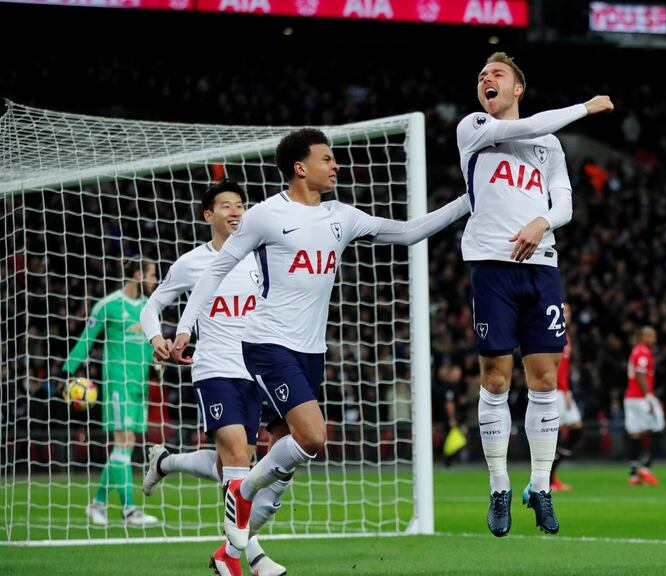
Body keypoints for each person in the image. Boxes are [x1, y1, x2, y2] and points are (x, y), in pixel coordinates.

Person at [170, 127, 472, 551]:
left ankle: (231, 550)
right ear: (300, 167)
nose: (336, 166)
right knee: (313, 436)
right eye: (327, 159)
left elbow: (406, 232)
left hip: (312, 351)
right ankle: (240, 491)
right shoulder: (265, 215)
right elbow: (216, 270)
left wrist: (467, 201)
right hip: (267, 342)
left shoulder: (340, 216)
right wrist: (185, 326)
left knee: (287, 464)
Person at [455, 51, 613, 537]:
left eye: (497, 73)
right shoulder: (475, 128)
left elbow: (563, 201)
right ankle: (499, 486)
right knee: (497, 380)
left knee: (546, 378)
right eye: (482, 74)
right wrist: (585, 108)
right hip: (492, 268)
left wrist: (541, 220)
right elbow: (526, 128)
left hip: (542, 266)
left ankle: (540, 487)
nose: (487, 77)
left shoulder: (549, 147)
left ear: (517, 88)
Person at [139, 180, 287, 576]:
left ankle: (166, 461)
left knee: (232, 467)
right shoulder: (192, 263)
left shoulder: (261, 257)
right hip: (214, 369)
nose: (236, 211)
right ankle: (246, 558)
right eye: (227, 206)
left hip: (256, 370)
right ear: (209, 215)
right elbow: (152, 306)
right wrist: (157, 337)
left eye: (240, 205)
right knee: (239, 457)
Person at [63, 257, 160, 526]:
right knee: (124, 443)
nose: (155, 281)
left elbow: (152, 346)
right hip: (117, 385)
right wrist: (68, 371)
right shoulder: (108, 305)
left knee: (124, 448)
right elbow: (87, 338)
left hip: (139, 387)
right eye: (152, 275)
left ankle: (97, 504)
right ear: (138, 274)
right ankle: (129, 510)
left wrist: (157, 365)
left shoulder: (147, 308)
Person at [625, 326, 664, 487]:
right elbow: (641, 374)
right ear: (642, 337)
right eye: (650, 336)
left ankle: (634, 475)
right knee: (658, 429)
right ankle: (646, 467)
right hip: (641, 397)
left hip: (630, 398)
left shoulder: (636, 350)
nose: (653, 339)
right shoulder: (643, 352)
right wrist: (648, 395)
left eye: (654, 336)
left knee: (635, 434)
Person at [550, 303, 582, 492]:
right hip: (556, 391)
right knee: (555, 433)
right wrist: (563, 390)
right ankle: (548, 479)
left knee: (577, 429)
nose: (567, 315)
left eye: (569, 311)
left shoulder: (566, 335)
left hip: (563, 391)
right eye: (564, 311)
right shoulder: (554, 335)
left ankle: (551, 474)